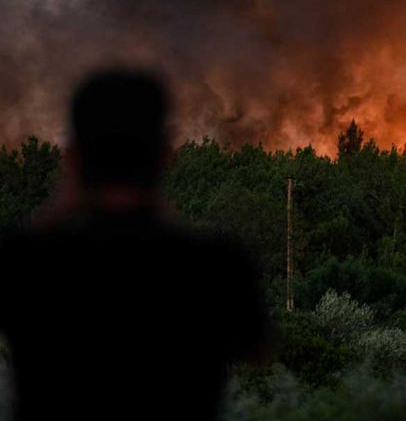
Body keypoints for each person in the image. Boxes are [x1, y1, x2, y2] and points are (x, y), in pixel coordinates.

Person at [0, 68, 269, 420]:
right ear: (166, 155)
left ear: (73, 158)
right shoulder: (218, 264)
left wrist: (54, 210)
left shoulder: (24, 262)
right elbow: (256, 345)